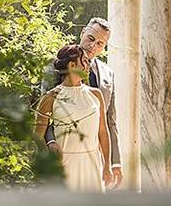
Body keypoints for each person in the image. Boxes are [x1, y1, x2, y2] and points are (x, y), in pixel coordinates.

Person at [44, 17, 124, 187]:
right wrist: (50, 142)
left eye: (100, 44)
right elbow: (42, 115)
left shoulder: (108, 73)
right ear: (82, 34)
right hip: (64, 155)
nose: (93, 46)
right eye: (91, 38)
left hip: (95, 159)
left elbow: (110, 121)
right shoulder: (55, 68)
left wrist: (114, 162)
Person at [35, 44, 113, 192]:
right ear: (72, 65)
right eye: (83, 61)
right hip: (64, 166)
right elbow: (37, 135)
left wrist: (107, 166)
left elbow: (103, 132)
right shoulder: (51, 97)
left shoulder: (96, 95)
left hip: (93, 165)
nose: (88, 64)